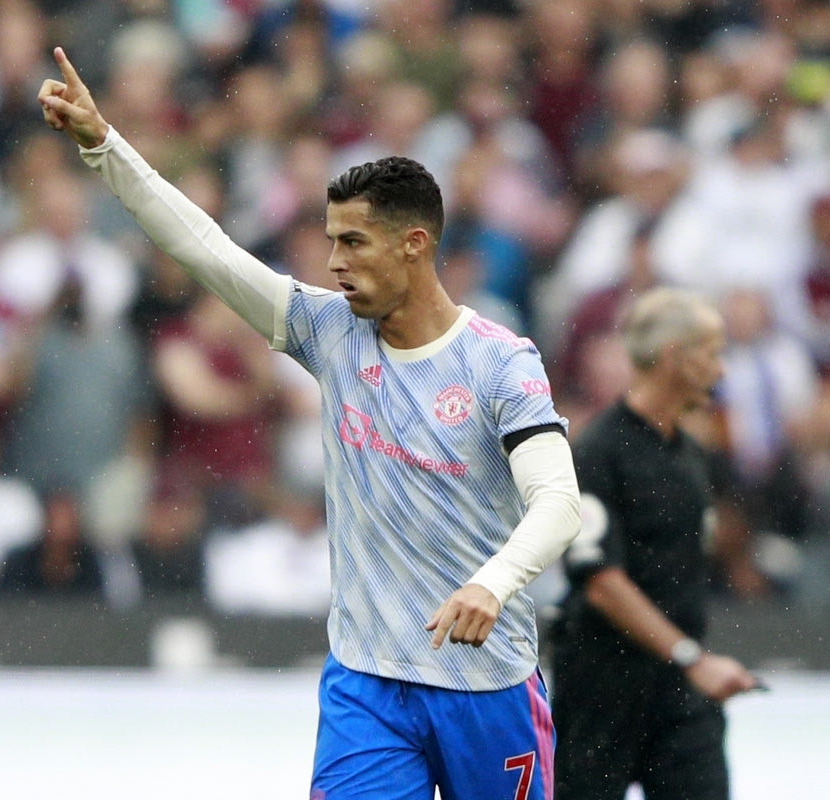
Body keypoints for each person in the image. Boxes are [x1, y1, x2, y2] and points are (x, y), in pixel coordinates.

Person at [38, 47, 581, 800]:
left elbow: (558, 501)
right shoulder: (329, 331)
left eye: (352, 242)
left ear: (414, 245)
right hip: (367, 684)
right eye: (330, 240)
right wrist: (104, 145)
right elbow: (204, 249)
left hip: (486, 684)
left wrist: (492, 583)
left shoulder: (500, 363)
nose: (333, 262)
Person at [550, 288, 762, 800]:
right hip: (602, 685)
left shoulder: (689, 454)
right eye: (711, 354)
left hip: (678, 693)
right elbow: (601, 583)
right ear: (673, 357)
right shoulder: (599, 452)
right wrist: (691, 658)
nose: (721, 370)